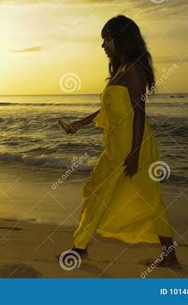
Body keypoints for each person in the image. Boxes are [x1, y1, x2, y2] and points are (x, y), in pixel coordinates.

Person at [63, 15, 181, 268]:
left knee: (147, 198)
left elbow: (139, 112)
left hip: (133, 146)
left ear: (122, 38)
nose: (103, 45)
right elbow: (110, 109)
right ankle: (81, 247)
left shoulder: (135, 69)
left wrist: (136, 152)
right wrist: (80, 124)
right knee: (96, 190)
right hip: (115, 147)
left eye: (107, 39)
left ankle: (79, 248)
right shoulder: (120, 70)